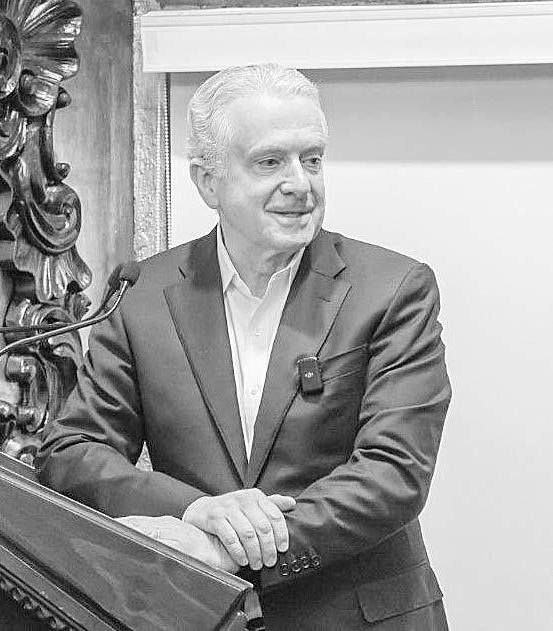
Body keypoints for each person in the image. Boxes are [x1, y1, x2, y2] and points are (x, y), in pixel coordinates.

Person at [36, 64, 451, 630]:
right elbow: (73, 450)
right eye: (269, 162)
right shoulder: (143, 295)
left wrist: (226, 550)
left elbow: (394, 472)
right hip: (197, 618)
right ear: (207, 181)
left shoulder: (393, 289)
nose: (300, 184)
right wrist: (194, 511)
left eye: (312, 159)